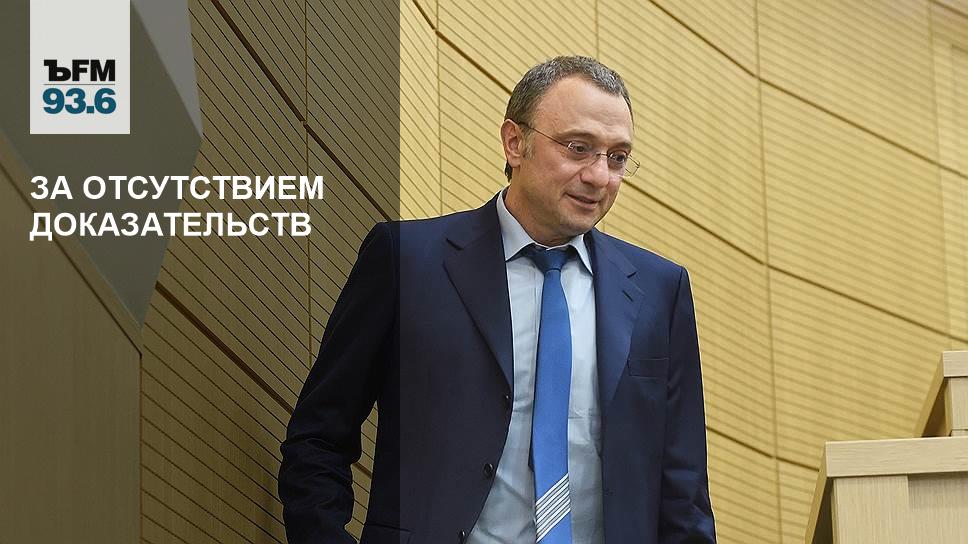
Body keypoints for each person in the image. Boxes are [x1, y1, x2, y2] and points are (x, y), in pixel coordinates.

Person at [279, 55, 716, 544]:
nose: (599, 176)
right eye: (578, 148)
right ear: (514, 142)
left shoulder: (660, 291)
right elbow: (318, 440)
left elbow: (684, 496)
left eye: (617, 157)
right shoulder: (407, 261)